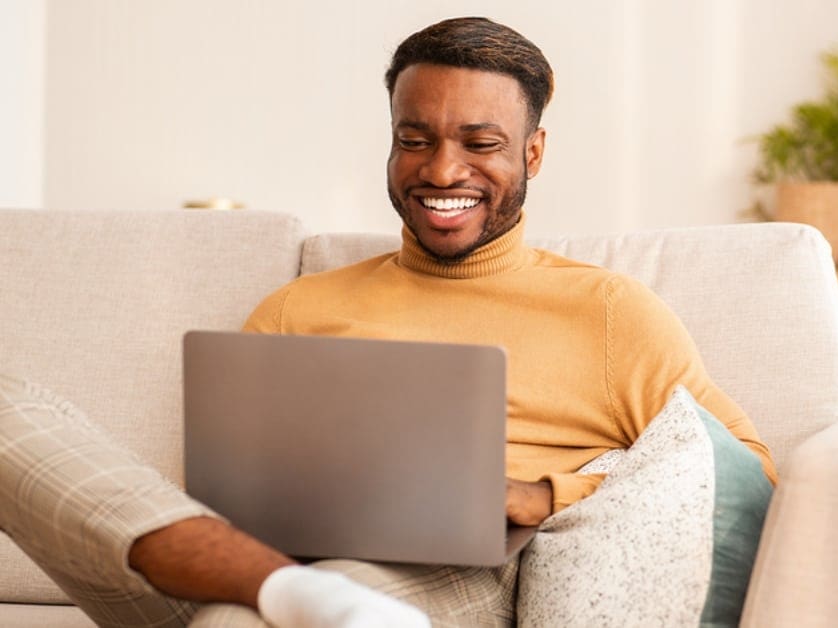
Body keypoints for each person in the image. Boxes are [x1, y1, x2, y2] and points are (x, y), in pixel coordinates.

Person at [0, 17, 775, 628]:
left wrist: (547, 493)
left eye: (482, 144)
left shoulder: (609, 312)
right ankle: (285, 591)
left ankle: (296, 600)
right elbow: (217, 488)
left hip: (443, 587)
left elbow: (743, 466)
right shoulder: (297, 307)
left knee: (255, 618)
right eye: (415, 139)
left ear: (534, 154)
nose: (441, 171)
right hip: (226, 564)